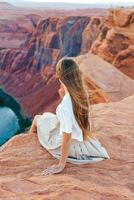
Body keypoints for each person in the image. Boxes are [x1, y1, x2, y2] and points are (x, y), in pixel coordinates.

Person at [29, 57, 110, 176]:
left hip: (68, 145)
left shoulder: (64, 106)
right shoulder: (82, 94)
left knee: (37, 118)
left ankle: (29, 144)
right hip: (83, 142)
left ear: (59, 75)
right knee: (48, 118)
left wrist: (60, 165)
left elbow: (67, 137)